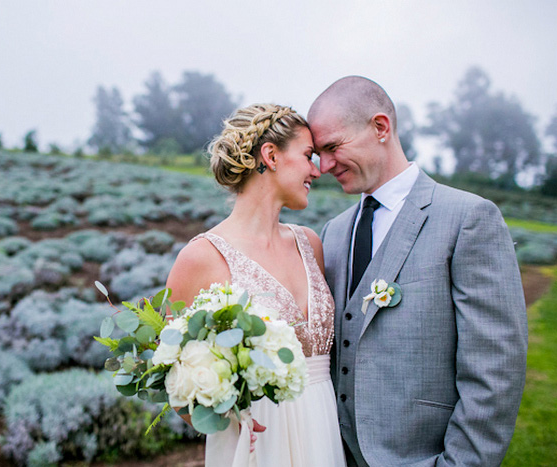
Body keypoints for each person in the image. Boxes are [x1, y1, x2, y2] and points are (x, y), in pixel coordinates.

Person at [307, 76, 528, 467]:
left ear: (380, 127)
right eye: (318, 154)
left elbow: (495, 370)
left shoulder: (468, 219)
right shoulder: (335, 231)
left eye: (332, 147)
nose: (324, 166)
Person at [166, 103, 347, 467]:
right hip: (258, 444)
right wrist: (227, 412)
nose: (317, 170)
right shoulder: (202, 257)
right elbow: (174, 377)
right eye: (309, 155)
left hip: (324, 430)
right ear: (271, 155)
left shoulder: (309, 244)